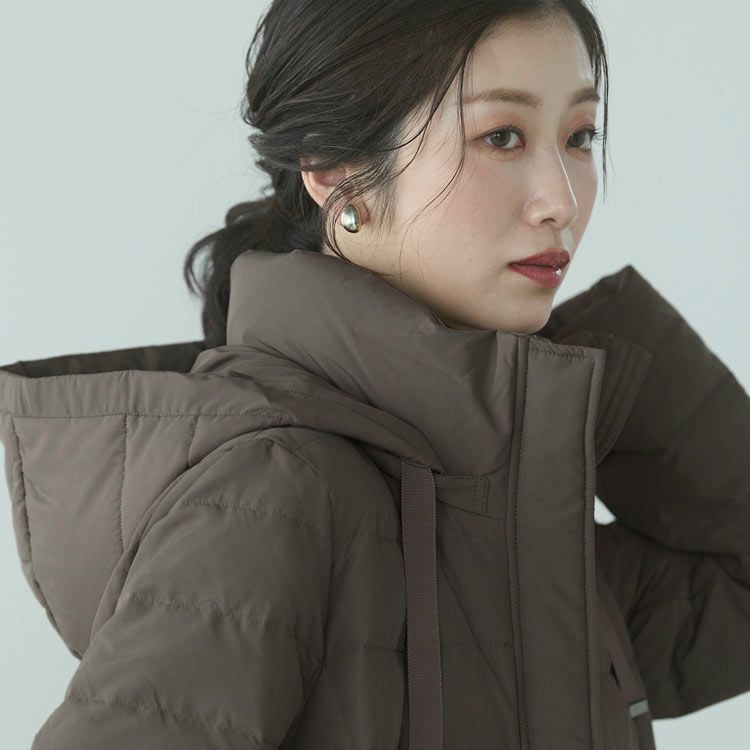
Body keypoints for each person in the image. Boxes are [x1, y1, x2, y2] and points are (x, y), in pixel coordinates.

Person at [1, 1, 748, 748]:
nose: (563, 200)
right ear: (335, 167)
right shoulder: (273, 488)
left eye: (580, 136)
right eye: (501, 136)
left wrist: (578, 374)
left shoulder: (509, 506)